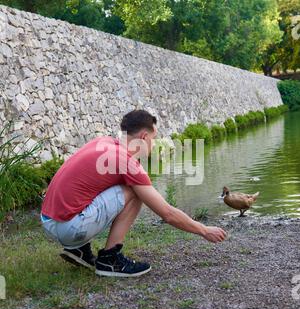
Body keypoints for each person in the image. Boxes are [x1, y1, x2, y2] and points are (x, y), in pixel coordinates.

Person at [41, 110, 226, 278]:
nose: (154, 144)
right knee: (136, 191)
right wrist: (204, 230)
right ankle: (109, 260)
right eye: (154, 139)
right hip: (69, 227)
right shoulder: (126, 162)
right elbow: (167, 214)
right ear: (144, 137)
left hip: (49, 220)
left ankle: (78, 249)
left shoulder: (103, 142)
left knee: (125, 186)